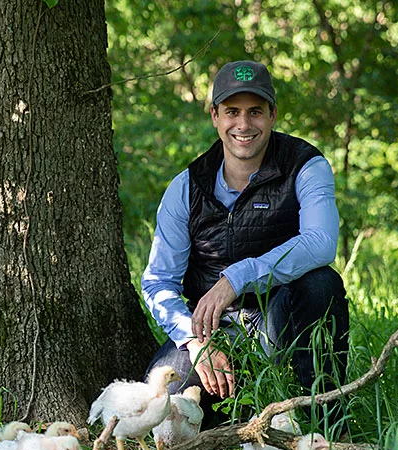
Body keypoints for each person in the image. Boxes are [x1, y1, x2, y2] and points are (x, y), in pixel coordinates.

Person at [140, 60, 349, 430]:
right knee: (163, 402)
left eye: (255, 112)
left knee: (321, 284)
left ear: (272, 115)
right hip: (212, 329)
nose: (243, 124)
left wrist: (237, 278)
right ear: (215, 116)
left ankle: (325, 425)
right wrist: (194, 341)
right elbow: (158, 282)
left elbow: (320, 242)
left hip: (281, 318)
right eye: (232, 112)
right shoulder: (187, 186)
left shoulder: (305, 166)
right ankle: (242, 414)